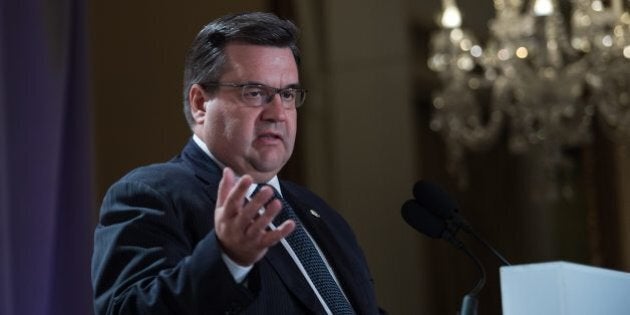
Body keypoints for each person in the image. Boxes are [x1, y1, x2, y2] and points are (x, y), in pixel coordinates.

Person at [91, 12, 384, 314]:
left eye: (287, 94)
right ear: (200, 103)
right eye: (255, 93)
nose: (278, 113)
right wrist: (227, 259)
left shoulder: (321, 214)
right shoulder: (151, 195)